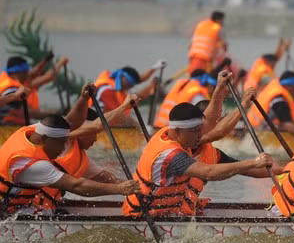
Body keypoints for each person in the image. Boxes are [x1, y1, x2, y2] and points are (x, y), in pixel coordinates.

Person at [122, 101, 274, 217]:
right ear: (178, 131)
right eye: (195, 131)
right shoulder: (171, 155)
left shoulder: (173, 133)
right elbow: (209, 172)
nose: (200, 136)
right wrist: (253, 162)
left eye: (200, 131)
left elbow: (211, 123)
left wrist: (285, 171)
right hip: (142, 216)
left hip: (169, 213)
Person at [0, 113, 140, 215]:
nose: (96, 140)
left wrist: (127, 184)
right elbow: (76, 186)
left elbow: (100, 176)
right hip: (15, 211)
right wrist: (119, 189)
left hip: (28, 206)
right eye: (94, 134)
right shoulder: (32, 163)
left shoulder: (36, 132)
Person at [38, 90, 142, 210]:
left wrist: (131, 186)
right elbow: (97, 125)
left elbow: (103, 178)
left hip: (45, 206)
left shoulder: (79, 157)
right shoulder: (62, 141)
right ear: (84, 130)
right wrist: (124, 106)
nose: (95, 139)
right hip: (28, 208)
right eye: (93, 134)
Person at [247, 71, 294, 140]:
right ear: (289, 86)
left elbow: (289, 122)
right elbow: (287, 124)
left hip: (253, 129)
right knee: (289, 127)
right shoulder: (279, 99)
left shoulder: (278, 88)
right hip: (258, 133)